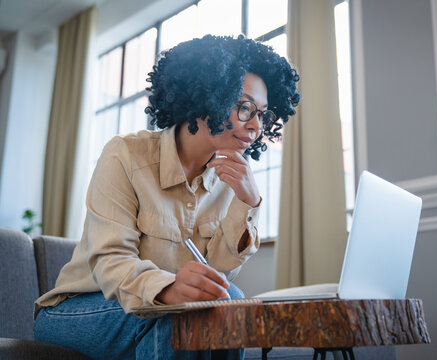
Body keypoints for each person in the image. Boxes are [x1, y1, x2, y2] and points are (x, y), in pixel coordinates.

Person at [33, 34, 300, 359]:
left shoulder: (230, 178)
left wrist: (249, 202)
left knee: (232, 300)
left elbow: (217, 275)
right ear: (207, 97)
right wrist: (167, 289)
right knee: (172, 318)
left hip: (168, 312)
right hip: (78, 309)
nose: (256, 126)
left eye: (262, 114)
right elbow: (110, 262)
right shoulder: (125, 156)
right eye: (245, 107)